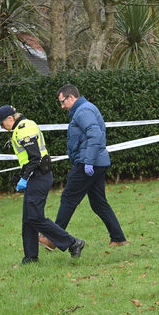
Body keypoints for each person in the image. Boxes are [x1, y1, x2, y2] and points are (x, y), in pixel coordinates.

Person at [0, 105, 85, 263]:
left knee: (35, 217)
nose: (2, 127)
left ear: (10, 118)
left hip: (39, 176)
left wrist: (24, 177)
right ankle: (30, 258)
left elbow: (34, 157)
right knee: (28, 219)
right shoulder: (21, 128)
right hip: (36, 176)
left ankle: (73, 242)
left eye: (2, 124)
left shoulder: (23, 128)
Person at [46, 84, 127, 248]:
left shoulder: (83, 111)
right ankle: (118, 238)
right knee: (98, 203)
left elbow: (95, 134)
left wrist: (88, 161)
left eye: (63, 101)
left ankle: (54, 239)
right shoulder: (84, 109)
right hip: (97, 162)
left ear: (71, 97)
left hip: (88, 163)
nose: (62, 106)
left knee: (68, 198)